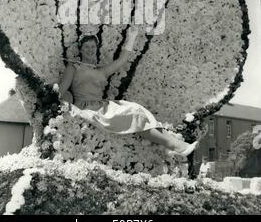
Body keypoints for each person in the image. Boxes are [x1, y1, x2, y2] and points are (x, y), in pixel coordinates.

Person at [57, 26, 198, 157]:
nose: (90, 49)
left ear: (96, 48)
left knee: (137, 110)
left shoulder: (102, 70)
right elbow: (61, 90)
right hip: (87, 108)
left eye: (93, 46)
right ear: (80, 49)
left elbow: (122, 60)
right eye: (86, 47)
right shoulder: (74, 67)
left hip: (103, 105)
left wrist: (131, 37)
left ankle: (181, 146)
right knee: (133, 115)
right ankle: (175, 145)